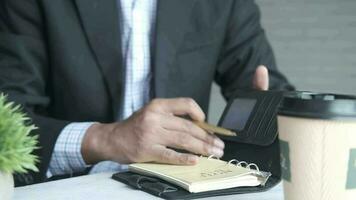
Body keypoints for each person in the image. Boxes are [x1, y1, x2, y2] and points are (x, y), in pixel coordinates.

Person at [0, 0, 293, 186]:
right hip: (66, 186)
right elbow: (8, 121)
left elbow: (271, 89)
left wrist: (269, 117)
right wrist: (105, 138)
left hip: (182, 185)